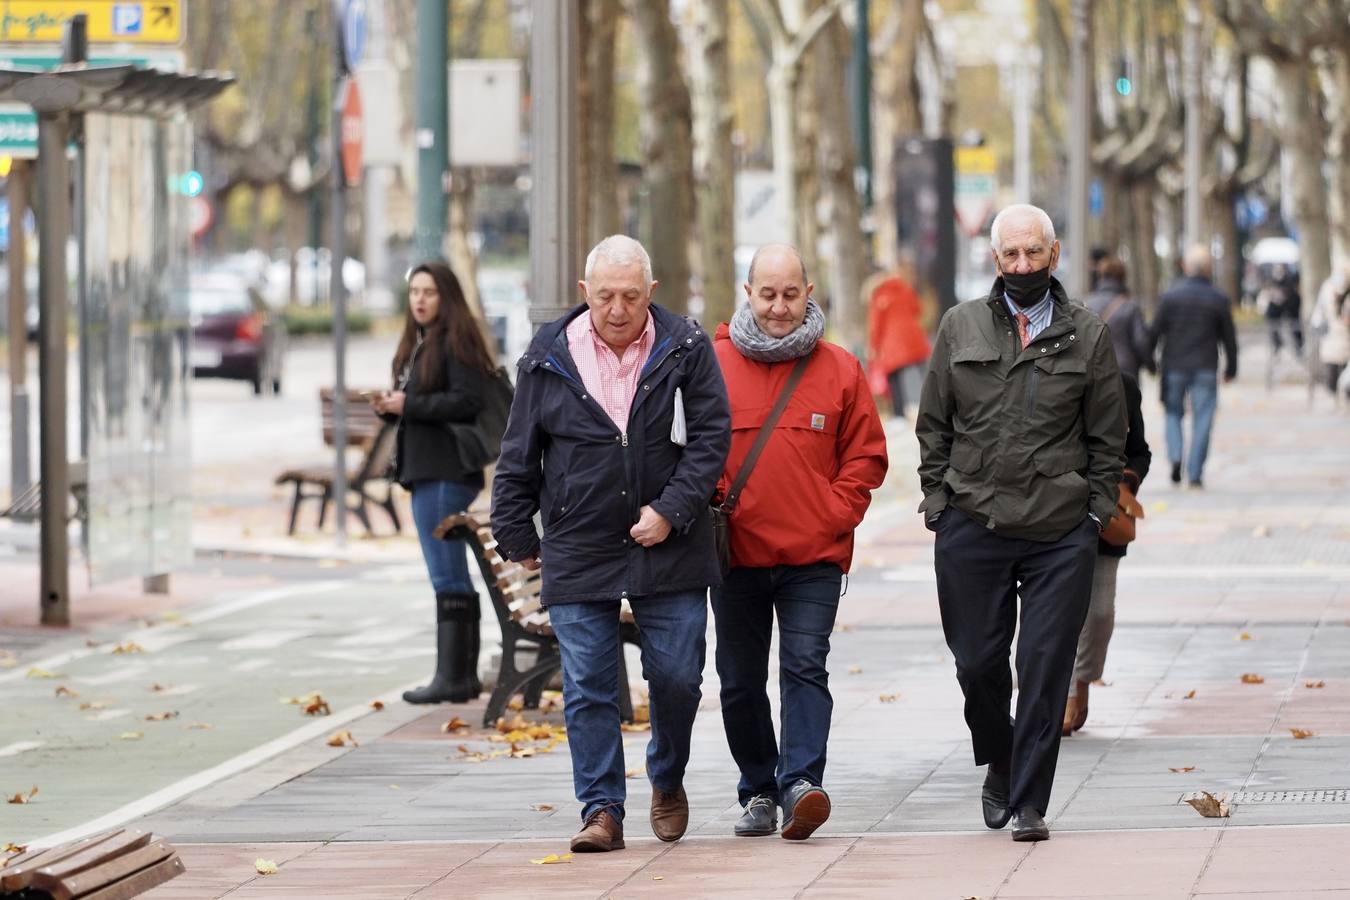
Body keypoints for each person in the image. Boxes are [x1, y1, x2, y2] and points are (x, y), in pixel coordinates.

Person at [490, 235, 731, 854]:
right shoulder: (546, 358)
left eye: (630, 296)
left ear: (651, 292)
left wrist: (672, 511)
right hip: (578, 541)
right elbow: (518, 455)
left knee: (678, 677)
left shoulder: (687, 348)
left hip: (669, 541)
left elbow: (710, 440)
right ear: (584, 294)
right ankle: (601, 808)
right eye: (604, 297)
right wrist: (516, 532)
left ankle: (667, 777)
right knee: (588, 683)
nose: (617, 309)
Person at [915, 203, 1126, 843]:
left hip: (1060, 531)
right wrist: (938, 502)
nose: (1022, 265)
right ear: (995, 258)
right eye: (1011, 254)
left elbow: (1108, 439)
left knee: (1044, 666)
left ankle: (1031, 800)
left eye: (1033, 253)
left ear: (1054, 255)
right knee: (978, 664)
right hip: (971, 522)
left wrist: (1093, 512)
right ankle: (1000, 759)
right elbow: (933, 425)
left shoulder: (1088, 335)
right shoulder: (960, 326)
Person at [712, 244, 888, 841]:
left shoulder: (840, 368)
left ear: (809, 292)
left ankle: (800, 786)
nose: (780, 307)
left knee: (804, 666)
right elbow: (689, 452)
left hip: (813, 556)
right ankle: (759, 788)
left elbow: (866, 456)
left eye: (791, 294)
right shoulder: (711, 365)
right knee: (737, 677)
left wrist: (831, 514)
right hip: (734, 555)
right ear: (747, 292)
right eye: (768, 294)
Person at [373, 262, 497, 705]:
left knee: (447, 574)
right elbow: (425, 403)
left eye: (429, 292)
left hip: (446, 472)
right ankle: (457, 676)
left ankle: (455, 677)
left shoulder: (455, 342)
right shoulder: (420, 343)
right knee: (446, 574)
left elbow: (467, 401)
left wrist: (412, 403)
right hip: (427, 471)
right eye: (414, 292)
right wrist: (394, 406)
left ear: (446, 297)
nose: (420, 300)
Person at [1062, 372, 1151, 734]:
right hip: (1055, 508)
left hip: (1105, 514)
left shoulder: (1123, 385)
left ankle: (1083, 678)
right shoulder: (1050, 376)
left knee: (1099, 612)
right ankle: (1064, 693)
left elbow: (1139, 450)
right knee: (1059, 608)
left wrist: (1125, 483)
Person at [1148, 245, 1239, 489]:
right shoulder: (1218, 298)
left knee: (1172, 413)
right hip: (1205, 366)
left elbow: (1154, 332)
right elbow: (1229, 337)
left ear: (1186, 267)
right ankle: (1195, 473)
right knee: (1203, 418)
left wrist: (1150, 362)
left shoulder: (1170, 297)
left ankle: (1176, 456)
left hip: (1174, 366)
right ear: (1209, 269)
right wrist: (1232, 368)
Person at [865, 260, 932, 418]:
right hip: (913, 337)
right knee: (926, 373)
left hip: (892, 344)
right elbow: (918, 309)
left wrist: (873, 347)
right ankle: (935, 406)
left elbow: (876, 325)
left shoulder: (879, 295)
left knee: (894, 379)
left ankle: (899, 414)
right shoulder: (903, 288)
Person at [1085, 257, 1153, 381]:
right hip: (1125, 370)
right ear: (1122, 277)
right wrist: (1150, 365)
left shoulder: (1087, 304)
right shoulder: (1130, 306)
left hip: (1094, 369)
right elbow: (1140, 341)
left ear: (1101, 276)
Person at [1310, 264, 1350, 402]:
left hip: (1343, 339)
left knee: (1343, 372)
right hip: (1332, 338)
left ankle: (1342, 396)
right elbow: (1319, 314)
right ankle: (1337, 395)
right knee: (1333, 371)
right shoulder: (1327, 288)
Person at [1259, 264, 1305, 359]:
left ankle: (1298, 346)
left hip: (1291, 308)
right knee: (1274, 324)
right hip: (1277, 309)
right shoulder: (1273, 282)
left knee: (1295, 327)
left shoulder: (1290, 281)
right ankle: (1277, 343)